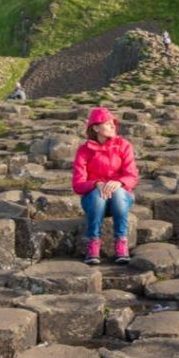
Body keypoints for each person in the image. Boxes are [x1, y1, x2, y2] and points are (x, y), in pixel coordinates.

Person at [72, 107, 138, 265]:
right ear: (95, 128)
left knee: (118, 193)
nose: (113, 126)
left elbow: (132, 176)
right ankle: (93, 243)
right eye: (108, 124)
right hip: (94, 200)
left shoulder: (123, 145)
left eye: (113, 123)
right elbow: (77, 184)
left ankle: (121, 243)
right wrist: (96, 184)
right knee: (97, 195)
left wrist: (119, 182)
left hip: (120, 197)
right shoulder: (84, 151)